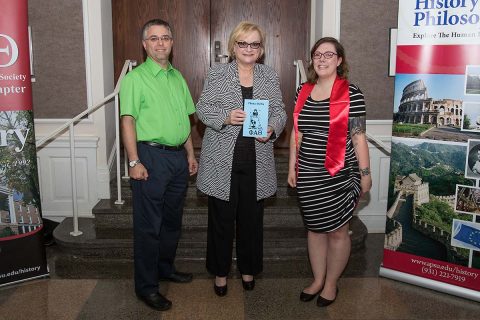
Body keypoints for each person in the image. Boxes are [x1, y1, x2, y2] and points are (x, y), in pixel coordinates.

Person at [196, 21, 286, 297]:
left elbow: (280, 110)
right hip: (221, 163)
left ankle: (248, 270)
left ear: (261, 49)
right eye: (243, 43)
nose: (248, 49)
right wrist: (224, 118)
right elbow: (202, 108)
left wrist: (272, 128)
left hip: (256, 163)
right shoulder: (218, 74)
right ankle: (220, 273)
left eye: (254, 44)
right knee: (221, 222)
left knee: (251, 222)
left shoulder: (269, 76)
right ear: (234, 47)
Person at [120, 18, 198, 311]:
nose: (160, 43)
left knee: (171, 222)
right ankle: (146, 287)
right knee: (148, 225)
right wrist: (133, 160)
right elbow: (127, 120)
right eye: (154, 38)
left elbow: (186, 121)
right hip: (150, 158)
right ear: (144, 44)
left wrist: (190, 154)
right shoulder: (134, 79)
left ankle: (165, 268)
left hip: (177, 157)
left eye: (165, 37)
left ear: (172, 42)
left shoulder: (178, 77)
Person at [287, 37, 372, 307]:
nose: (322, 59)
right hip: (309, 175)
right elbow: (296, 132)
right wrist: (292, 166)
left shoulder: (351, 93)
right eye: (317, 54)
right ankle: (317, 279)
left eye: (328, 54)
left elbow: (358, 136)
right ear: (312, 60)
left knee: (337, 231)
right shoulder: (302, 90)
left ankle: (331, 283)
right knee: (314, 229)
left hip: (340, 175)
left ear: (339, 60)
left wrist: (365, 173)